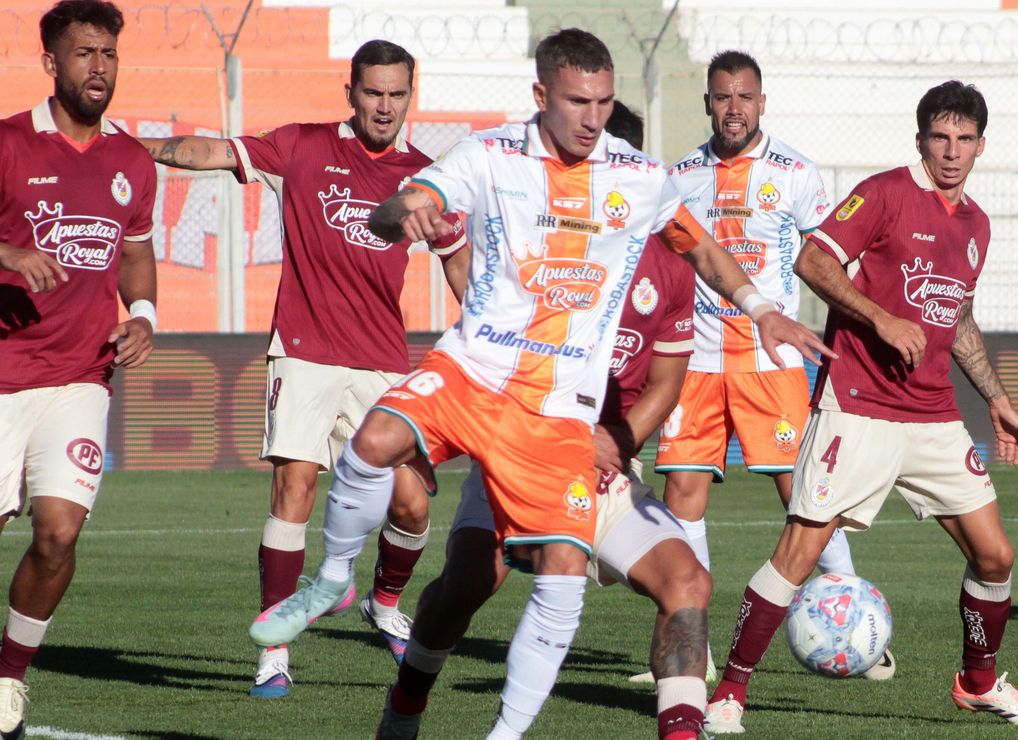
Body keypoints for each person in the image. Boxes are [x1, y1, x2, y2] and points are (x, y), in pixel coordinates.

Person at [248, 28, 831, 740]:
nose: (593, 118)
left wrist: (761, 310)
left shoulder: (641, 184)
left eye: (604, 103)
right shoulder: (492, 155)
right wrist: (407, 213)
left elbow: (700, 256)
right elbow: (393, 205)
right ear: (541, 97)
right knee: (379, 448)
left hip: (558, 421)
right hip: (475, 373)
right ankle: (338, 585)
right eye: (578, 102)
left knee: (576, 574)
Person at [703, 80, 1018, 733]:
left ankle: (978, 685)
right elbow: (814, 260)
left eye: (964, 139)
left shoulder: (977, 223)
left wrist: (998, 399)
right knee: (800, 553)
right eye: (939, 137)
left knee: (995, 556)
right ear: (920, 138)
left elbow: (960, 317)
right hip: (857, 406)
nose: (951, 151)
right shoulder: (887, 192)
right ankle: (728, 693)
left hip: (934, 414)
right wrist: (879, 318)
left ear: (981, 145)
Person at [372, 101, 712, 740]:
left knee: (687, 580)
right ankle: (407, 703)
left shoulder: (671, 265)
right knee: (468, 583)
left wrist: (618, 438)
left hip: (603, 464)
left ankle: (683, 731)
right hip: (518, 438)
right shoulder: (541, 236)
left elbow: (666, 382)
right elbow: (481, 327)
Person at [138, 40, 462, 698]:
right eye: (373, 91)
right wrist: (133, 149)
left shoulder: (424, 177)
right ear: (351, 91)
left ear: (411, 95)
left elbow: (459, 258)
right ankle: (274, 651)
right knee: (294, 490)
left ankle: (383, 601)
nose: (385, 105)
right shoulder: (304, 146)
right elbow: (213, 152)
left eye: (397, 93)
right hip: (305, 349)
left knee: (413, 503)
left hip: (382, 361)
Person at [650, 49, 891, 683]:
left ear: (763, 102)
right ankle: (691, 649)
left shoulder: (796, 173)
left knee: (805, 492)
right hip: (695, 363)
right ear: (707, 102)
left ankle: (857, 617)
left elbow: (832, 263)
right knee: (683, 494)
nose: (734, 108)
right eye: (723, 96)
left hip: (772, 359)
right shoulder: (677, 179)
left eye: (745, 97)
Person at [0, 1, 158, 735]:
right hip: (2, 375)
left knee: (59, 532)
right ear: (51, 64)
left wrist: (145, 316)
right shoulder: (7, 144)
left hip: (80, 377)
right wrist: (8, 255)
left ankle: (8, 680)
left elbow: (133, 251)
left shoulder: (130, 161)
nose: (100, 68)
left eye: (109, 55)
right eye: (85, 54)